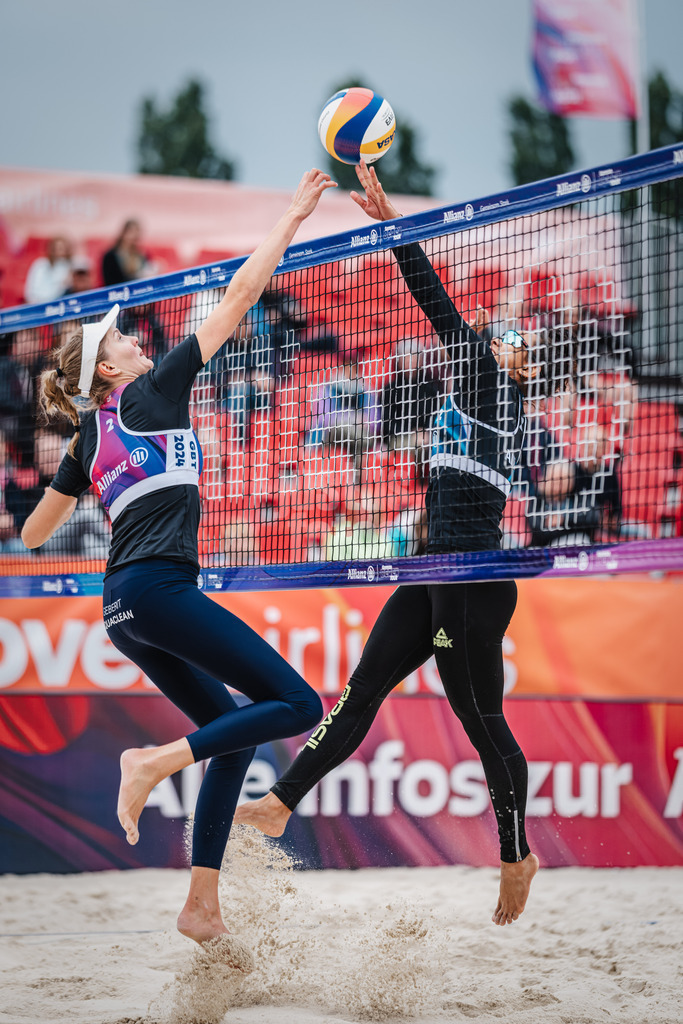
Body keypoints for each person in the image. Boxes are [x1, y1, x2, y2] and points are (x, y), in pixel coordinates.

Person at [235, 160, 579, 927]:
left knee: (480, 720)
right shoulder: (470, 392)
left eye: (506, 342)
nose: (492, 341)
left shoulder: (493, 391)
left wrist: (392, 221)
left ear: (513, 365)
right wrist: (389, 218)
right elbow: (448, 318)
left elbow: (436, 303)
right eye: (498, 337)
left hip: (473, 578)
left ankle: (514, 851)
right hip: (435, 568)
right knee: (361, 692)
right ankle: (281, 804)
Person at [21, 169, 336, 958]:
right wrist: (291, 217)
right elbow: (235, 300)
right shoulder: (153, 391)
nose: (136, 338)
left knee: (233, 734)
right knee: (298, 706)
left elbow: (30, 537)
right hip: (158, 591)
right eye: (122, 338)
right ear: (110, 370)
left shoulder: (89, 438)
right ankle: (152, 760)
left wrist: (72, 480)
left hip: (123, 608)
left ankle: (201, 904)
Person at [101, 219, 152, 286]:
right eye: (131, 232)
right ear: (124, 233)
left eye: (137, 233)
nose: (134, 236)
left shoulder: (141, 255)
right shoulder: (110, 256)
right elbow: (110, 282)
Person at [24, 236, 73, 304]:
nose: (60, 251)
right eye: (57, 248)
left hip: (56, 304)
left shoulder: (69, 267)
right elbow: (31, 290)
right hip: (37, 304)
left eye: (62, 248)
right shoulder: (40, 264)